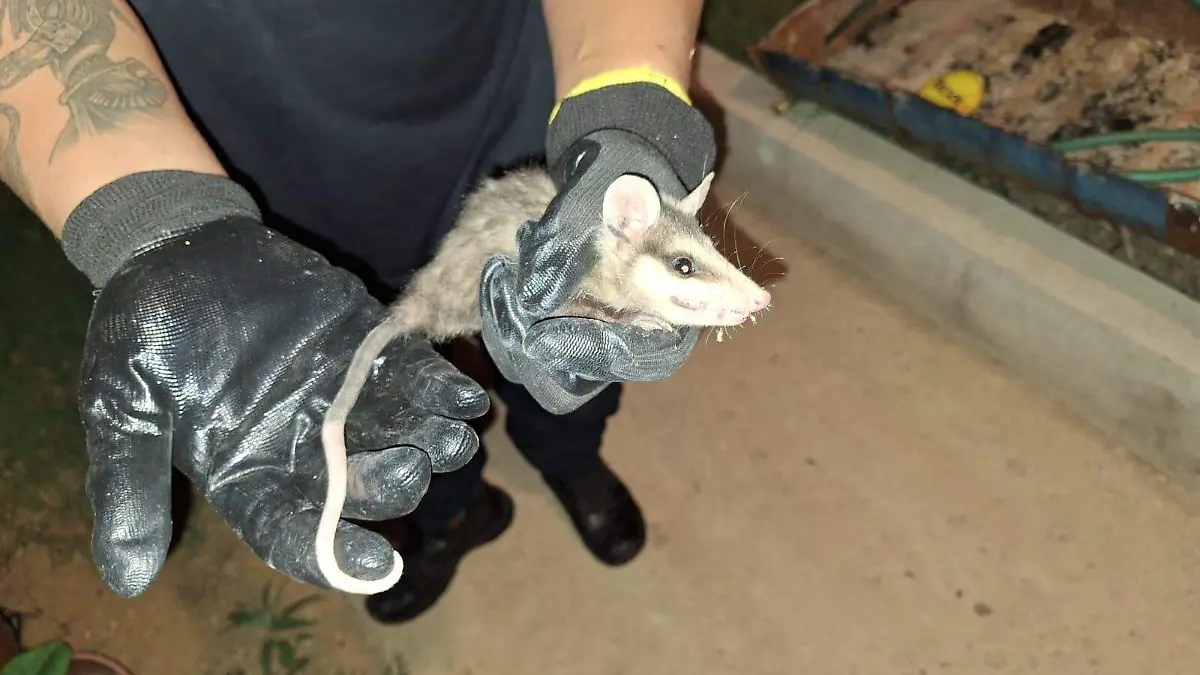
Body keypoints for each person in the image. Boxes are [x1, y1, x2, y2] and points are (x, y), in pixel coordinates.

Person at [0, 0, 716, 624]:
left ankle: (568, 452)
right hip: (269, 164)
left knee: (581, 327)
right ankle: (457, 512)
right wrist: (153, 218)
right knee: (392, 393)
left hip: (515, 83)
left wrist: (630, 113)